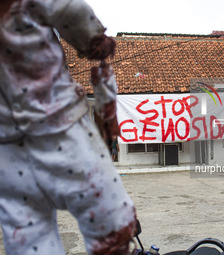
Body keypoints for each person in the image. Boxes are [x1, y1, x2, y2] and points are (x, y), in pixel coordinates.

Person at [0, 1, 136, 254]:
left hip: (6, 152)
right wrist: (94, 41)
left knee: (28, 238)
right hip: (58, 128)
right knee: (109, 221)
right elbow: (71, 10)